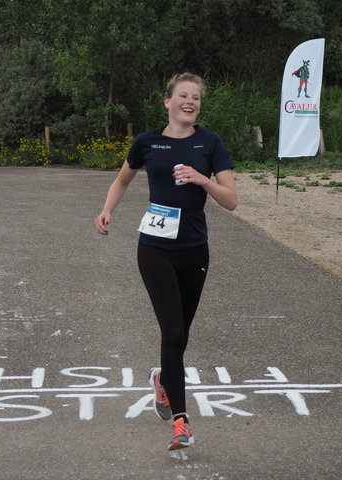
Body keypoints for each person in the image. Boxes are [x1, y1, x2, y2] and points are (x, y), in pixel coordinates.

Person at [94, 72, 237, 449]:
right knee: (172, 333)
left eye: (196, 98)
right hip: (154, 248)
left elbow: (231, 200)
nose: (190, 102)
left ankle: (162, 380)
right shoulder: (147, 142)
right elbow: (122, 180)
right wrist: (107, 210)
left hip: (194, 249)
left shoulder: (210, 143)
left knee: (180, 335)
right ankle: (181, 421)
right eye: (184, 96)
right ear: (168, 101)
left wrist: (201, 179)